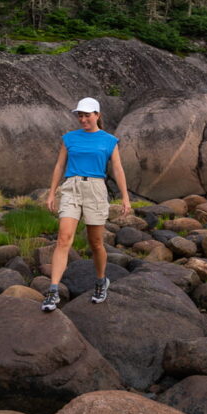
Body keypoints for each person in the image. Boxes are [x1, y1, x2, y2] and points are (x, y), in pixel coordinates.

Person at [42, 97, 131, 312]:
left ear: (97, 115)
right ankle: (53, 291)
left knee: (96, 243)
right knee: (63, 239)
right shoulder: (69, 138)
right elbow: (59, 165)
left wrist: (125, 197)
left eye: (87, 115)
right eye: (80, 115)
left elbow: (118, 169)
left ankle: (101, 282)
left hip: (96, 190)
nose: (83, 119)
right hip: (71, 188)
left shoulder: (109, 140)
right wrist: (52, 193)